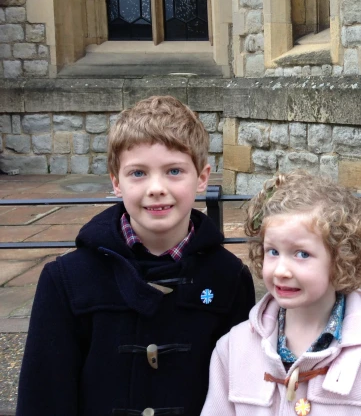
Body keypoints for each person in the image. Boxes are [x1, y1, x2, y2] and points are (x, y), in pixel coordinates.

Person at [17, 95, 256, 416]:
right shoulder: (66, 280)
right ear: (116, 182)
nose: (156, 187)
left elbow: (239, 393)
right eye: (138, 173)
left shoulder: (228, 277)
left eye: (174, 171)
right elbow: (44, 396)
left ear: (202, 178)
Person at [201, 171, 361, 415]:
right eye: (273, 251)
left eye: (301, 254)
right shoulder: (233, 348)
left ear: (341, 258)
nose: (281, 270)